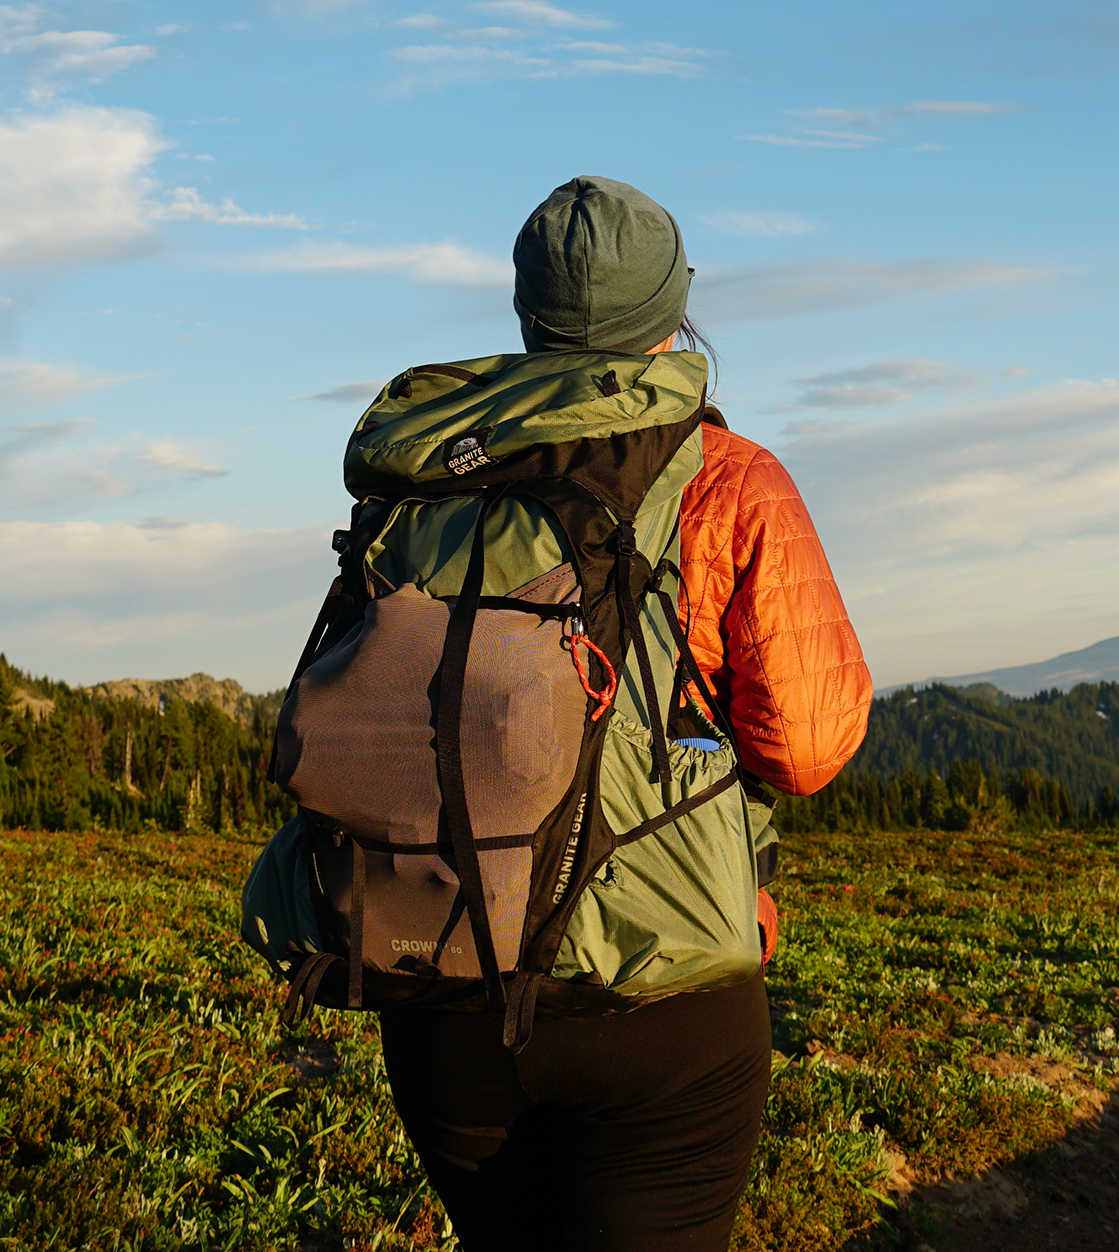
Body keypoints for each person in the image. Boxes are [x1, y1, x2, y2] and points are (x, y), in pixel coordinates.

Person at [373, 177, 872, 1251]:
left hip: (441, 979)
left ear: (526, 313)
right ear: (672, 308)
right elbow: (808, 747)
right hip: (665, 999)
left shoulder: (427, 478)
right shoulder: (726, 479)